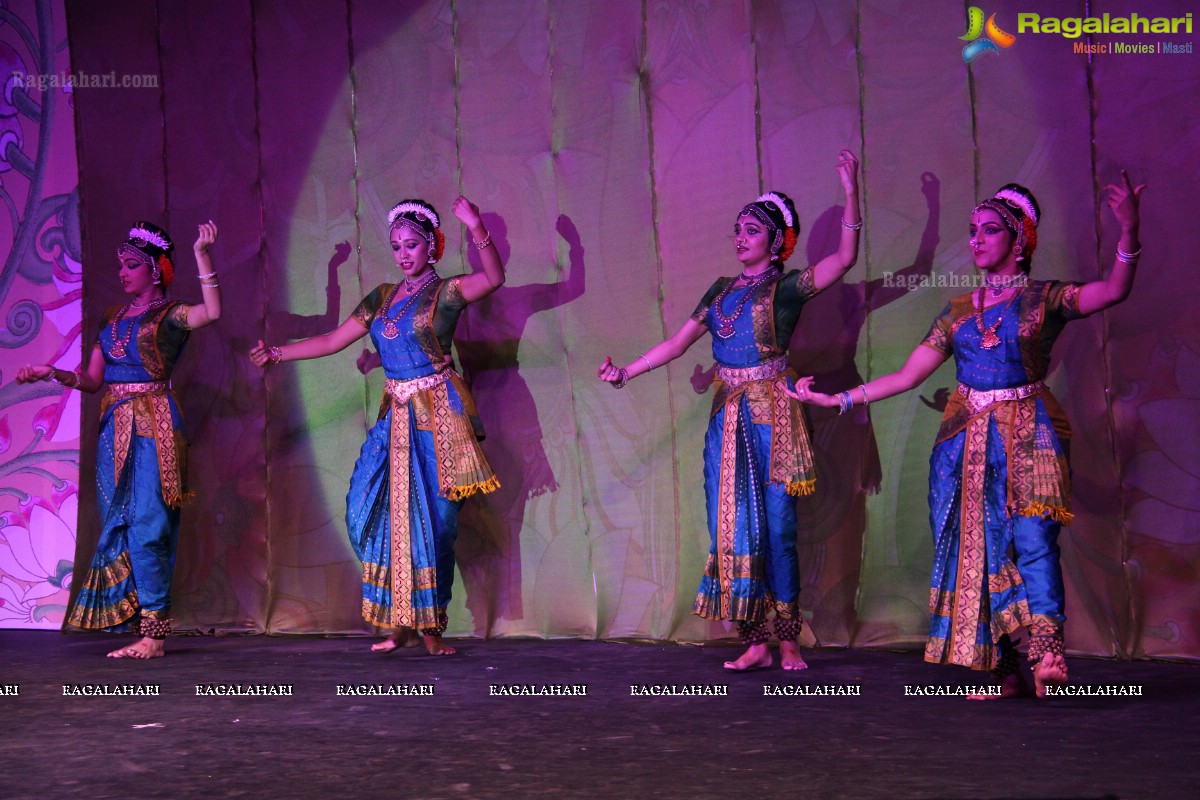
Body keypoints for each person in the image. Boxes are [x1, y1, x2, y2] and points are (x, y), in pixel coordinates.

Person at [787, 174, 1144, 697]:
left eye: (990, 230)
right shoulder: (957, 314)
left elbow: (1114, 290)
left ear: (1019, 241)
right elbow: (907, 376)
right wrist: (836, 399)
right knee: (973, 550)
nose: (976, 239)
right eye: (972, 230)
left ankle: (1048, 656)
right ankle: (999, 669)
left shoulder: (1048, 298)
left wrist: (1129, 232)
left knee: (1033, 542)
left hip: (1028, 436)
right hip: (963, 447)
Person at [598, 151, 862, 671]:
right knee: (733, 527)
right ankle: (756, 640)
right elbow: (678, 344)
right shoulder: (720, 291)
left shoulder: (785, 288)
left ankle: (788, 640)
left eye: (751, 231)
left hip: (775, 416)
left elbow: (843, 261)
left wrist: (851, 194)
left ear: (775, 241)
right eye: (736, 230)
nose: (740, 238)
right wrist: (626, 372)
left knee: (780, 527)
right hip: (729, 418)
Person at [251, 196, 502, 655]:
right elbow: (331, 339)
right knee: (368, 509)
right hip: (396, 417)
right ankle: (393, 621)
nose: (404, 253)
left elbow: (493, 278)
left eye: (412, 244)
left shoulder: (445, 293)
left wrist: (477, 225)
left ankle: (431, 628)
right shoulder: (382, 297)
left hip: (438, 418)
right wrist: (277, 353)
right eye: (396, 246)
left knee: (437, 523)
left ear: (432, 246)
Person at [18, 220, 221, 658]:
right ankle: (139, 619)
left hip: (154, 425)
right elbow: (93, 380)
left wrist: (202, 255)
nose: (123, 272)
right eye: (120, 265)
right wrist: (50, 372)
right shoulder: (112, 318)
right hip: (114, 428)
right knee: (124, 524)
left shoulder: (172, 315)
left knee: (150, 524)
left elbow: (212, 313)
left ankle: (154, 633)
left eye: (131, 265)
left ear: (155, 270)